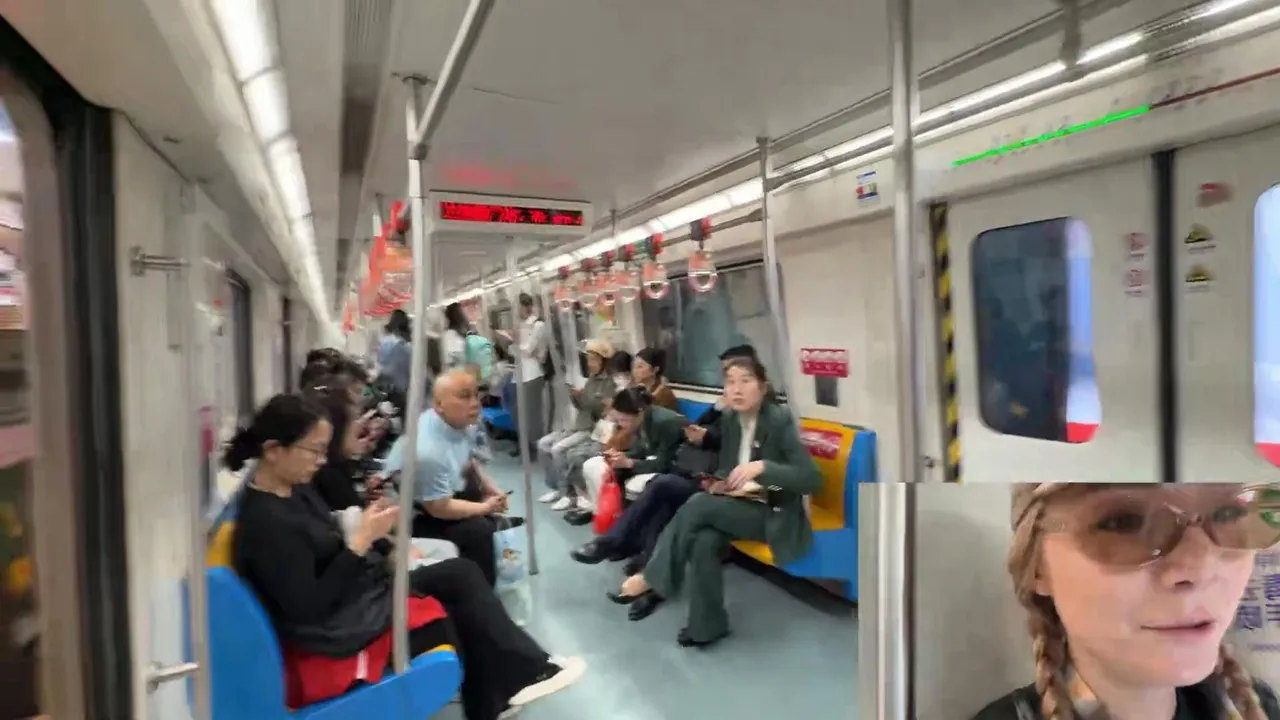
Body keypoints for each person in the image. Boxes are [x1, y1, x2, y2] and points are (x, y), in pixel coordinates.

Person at [227, 394, 584, 720]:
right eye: (314, 451)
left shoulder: (293, 491)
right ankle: (518, 679)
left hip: (353, 598)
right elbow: (310, 607)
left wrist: (377, 540)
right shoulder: (267, 525)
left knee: (459, 574)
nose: (322, 461)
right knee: (455, 605)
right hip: (333, 634)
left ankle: (510, 687)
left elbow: (329, 541)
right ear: (274, 450)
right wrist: (360, 544)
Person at [970, 483, 1280, 720]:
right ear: (1037, 566)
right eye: (1125, 523)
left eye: (1230, 514)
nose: (1199, 569)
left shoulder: (1258, 705)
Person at [609, 358, 820, 647]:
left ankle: (653, 576)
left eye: (745, 381)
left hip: (775, 507)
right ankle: (707, 625)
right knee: (703, 540)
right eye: (730, 382)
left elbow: (810, 480)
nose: (737, 389)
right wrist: (720, 482)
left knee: (698, 504)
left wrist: (764, 468)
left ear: (762, 387)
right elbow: (727, 467)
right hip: (740, 503)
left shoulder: (779, 420)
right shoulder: (732, 419)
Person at [386, 369, 519, 586]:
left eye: (476, 394)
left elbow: (468, 460)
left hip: (442, 491)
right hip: (417, 512)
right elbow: (438, 507)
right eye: (464, 396)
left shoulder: (461, 423)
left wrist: (490, 487)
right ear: (439, 404)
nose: (475, 403)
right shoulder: (427, 450)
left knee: (481, 503)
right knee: (479, 532)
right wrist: (485, 508)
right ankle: (483, 587)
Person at [571, 387, 690, 574]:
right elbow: (643, 449)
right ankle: (627, 542)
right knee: (618, 473)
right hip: (665, 468)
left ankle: (618, 545)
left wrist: (630, 463)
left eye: (624, 420)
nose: (622, 424)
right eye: (619, 420)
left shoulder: (667, 423)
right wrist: (622, 456)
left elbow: (664, 462)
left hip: (680, 471)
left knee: (658, 490)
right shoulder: (642, 421)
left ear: (640, 412)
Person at [537, 339, 615, 511]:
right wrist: (576, 397)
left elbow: (603, 413)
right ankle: (557, 488)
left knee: (558, 449)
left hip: (590, 428)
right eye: (588, 360)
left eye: (594, 360)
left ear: (604, 362)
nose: (590, 364)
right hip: (577, 425)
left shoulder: (610, 383)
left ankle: (568, 494)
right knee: (543, 444)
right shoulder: (591, 379)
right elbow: (583, 407)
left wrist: (585, 399)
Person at [495, 294, 550, 458]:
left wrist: (511, 343)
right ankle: (523, 444)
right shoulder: (519, 326)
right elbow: (517, 351)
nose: (515, 311)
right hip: (519, 373)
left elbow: (528, 350)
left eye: (517, 307)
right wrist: (511, 343)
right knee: (517, 412)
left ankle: (533, 446)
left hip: (532, 373)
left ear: (527, 306)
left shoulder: (538, 325)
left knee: (531, 414)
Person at [631, 347, 678, 411]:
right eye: (634, 366)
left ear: (655, 370)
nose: (634, 371)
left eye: (640, 366)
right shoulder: (638, 388)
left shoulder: (664, 395)